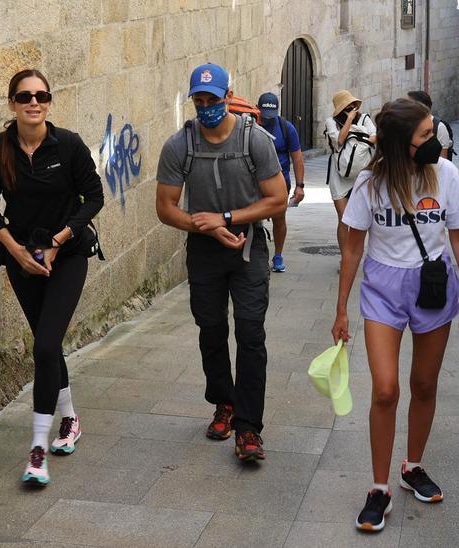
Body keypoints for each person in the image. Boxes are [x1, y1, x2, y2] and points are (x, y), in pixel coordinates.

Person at [331, 98, 459, 533]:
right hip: (383, 288)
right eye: (426, 136)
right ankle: (379, 488)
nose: (435, 141)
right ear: (400, 146)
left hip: (432, 285)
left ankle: (412, 466)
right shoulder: (369, 185)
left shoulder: (445, 175)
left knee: (424, 383)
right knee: (385, 390)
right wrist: (341, 308)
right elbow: (353, 247)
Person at [155, 63, 288, 462]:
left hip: (248, 249)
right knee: (210, 329)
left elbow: (277, 200)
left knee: (250, 334)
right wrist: (207, 227)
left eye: (214, 99)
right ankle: (224, 404)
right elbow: (164, 207)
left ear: (229, 97)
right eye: (200, 99)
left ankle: (249, 429)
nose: (207, 106)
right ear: (193, 99)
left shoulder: (256, 141)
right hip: (205, 249)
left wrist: (228, 219)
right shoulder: (180, 145)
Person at [0, 69, 105, 487]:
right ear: (12, 103)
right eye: (25, 96)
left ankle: (37, 449)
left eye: (42, 95)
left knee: (45, 344)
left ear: (49, 101)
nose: (34, 102)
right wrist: (13, 249)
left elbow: (94, 196)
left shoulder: (66, 144)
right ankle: (70, 420)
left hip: (66, 255)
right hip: (22, 257)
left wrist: (57, 240)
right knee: (48, 348)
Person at [257, 92, 306, 272]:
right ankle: (254, 255)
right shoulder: (251, 126)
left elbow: (298, 158)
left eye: (271, 114)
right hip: (254, 182)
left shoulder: (286, 128)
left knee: (279, 219)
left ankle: (278, 255)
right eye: (264, 114)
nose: (267, 119)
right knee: (252, 218)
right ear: (258, 109)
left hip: (280, 182)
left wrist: (300, 186)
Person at [324, 90, 376, 251]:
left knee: (364, 218)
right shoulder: (331, 122)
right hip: (339, 176)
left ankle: (359, 251)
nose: (352, 108)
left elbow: (375, 136)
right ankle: (345, 256)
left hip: (362, 174)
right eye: (348, 106)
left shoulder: (365, 118)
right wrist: (350, 120)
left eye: (353, 105)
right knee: (343, 218)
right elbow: (339, 140)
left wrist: (359, 143)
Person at [405, 90, 456, 160]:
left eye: (408, 105)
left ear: (420, 107)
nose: (405, 107)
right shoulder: (406, 124)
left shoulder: (439, 127)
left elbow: (443, 161)